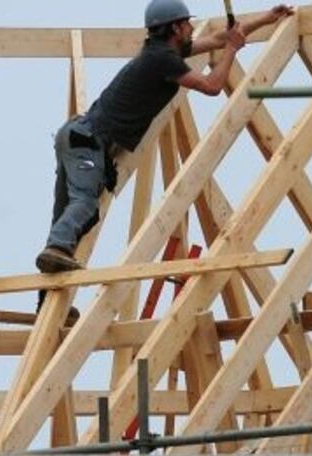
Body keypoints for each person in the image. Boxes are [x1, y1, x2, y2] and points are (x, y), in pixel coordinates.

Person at [35, 0, 295, 274]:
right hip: (87, 139)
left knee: (65, 215)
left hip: (78, 136)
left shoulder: (162, 52)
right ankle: (56, 252)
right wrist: (232, 49)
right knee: (84, 204)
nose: (191, 28)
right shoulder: (162, 60)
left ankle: (49, 294)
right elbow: (212, 85)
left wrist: (265, 20)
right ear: (174, 28)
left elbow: (219, 38)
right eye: (186, 24)